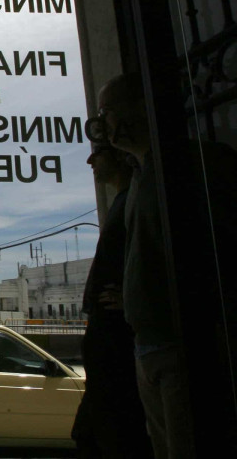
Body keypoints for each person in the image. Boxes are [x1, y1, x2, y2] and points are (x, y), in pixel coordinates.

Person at [98, 74, 193, 458]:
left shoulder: (182, 170)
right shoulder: (140, 179)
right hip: (148, 345)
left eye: (108, 112)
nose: (103, 125)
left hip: (179, 345)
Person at [71, 142, 152, 458]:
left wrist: (130, 298)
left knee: (111, 433)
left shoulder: (134, 200)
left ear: (120, 154)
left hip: (120, 339)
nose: (91, 159)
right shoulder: (125, 201)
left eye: (100, 150)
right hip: (113, 339)